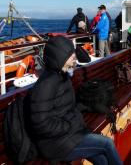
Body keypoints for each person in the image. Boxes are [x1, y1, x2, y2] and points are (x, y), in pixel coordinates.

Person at [29, 36, 122, 164]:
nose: (74, 59)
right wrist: (69, 125)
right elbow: (41, 124)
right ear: (59, 57)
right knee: (107, 144)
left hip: (68, 135)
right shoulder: (46, 85)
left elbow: (66, 107)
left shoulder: (61, 76)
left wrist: (85, 110)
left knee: (102, 160)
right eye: (71, 56)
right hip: (55, 144)